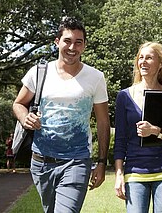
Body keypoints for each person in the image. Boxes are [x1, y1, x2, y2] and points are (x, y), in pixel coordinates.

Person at [12, 17, 110, 213]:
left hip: (77, 161)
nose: (72, 47)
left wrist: (101, 162)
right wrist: (25, 118)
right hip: (41, 162)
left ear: (84, 46)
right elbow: (18, 104)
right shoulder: (39, 72)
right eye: (67, 41)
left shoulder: (95, 77)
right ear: (57, 42)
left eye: (78, 42)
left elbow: (103, 122)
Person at [114, 42, 162, 213]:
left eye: (149, 58)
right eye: (141, 58)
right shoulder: (124, 97)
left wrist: (156, 131)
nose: (143, 62)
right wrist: (118, 174)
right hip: (134, 172)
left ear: (160, 63)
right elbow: (120, 140)